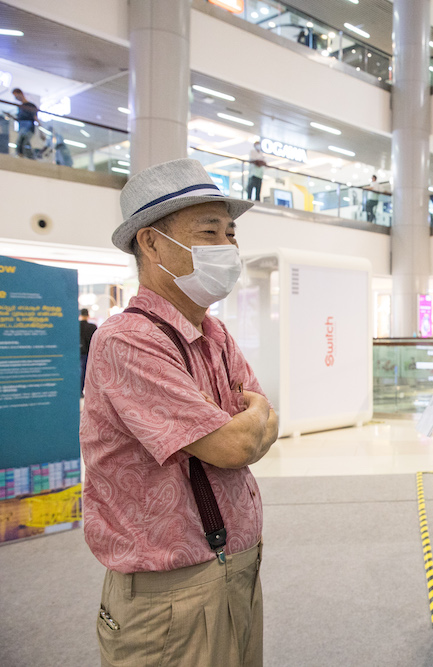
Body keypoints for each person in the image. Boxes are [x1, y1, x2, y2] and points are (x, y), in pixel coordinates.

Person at [80, 158, 278, 666]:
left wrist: (246, 422)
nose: (229, 248)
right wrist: (242, 423)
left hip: (237, 568)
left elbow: (267, 417)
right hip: (173, 593)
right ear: (150, 243)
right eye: (209, 232)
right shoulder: (128, 341)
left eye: (231, 233)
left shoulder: (214, 332)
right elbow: (236, 444)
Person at [11, 88, 38, 159]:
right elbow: (19, 119)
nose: (16, 98)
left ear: (21, 94)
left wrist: (41, 130)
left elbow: (35, 117)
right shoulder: (20, 107)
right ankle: (26, 156)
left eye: (17, 96)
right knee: (23, 142)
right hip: (21, 126)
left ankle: (27, 157)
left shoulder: (30, 105)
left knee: (23, 142)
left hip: (28, 126)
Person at [79, 309, 97, 395]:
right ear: (88, 315)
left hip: (76, 352)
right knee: (85, 371)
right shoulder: (92, 327)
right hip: (87, 353)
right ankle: (81, 390)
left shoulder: (75, 326)